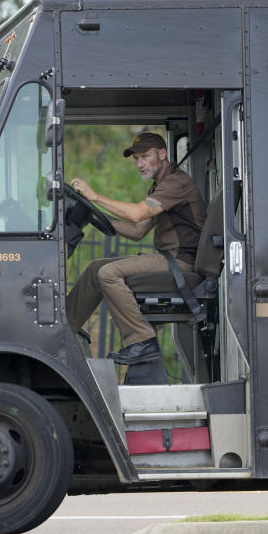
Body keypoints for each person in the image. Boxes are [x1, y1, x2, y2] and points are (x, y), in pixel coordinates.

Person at [67, 132, 206, 364]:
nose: (140, 164)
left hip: (180, 261)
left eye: (145, 156)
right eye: (136, 159)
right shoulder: (159, 187)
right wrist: (97, 216)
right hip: (167, 259)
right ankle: (63, 331)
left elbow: (137, 213)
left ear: (162, 154)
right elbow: (137, 231)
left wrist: (96, 197)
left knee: (108, 273)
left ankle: (142, 342)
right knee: (95, 268)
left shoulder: (176, 183)